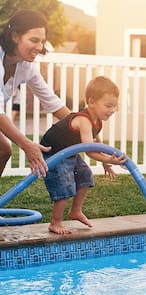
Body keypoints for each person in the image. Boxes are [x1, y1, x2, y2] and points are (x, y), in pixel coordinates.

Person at [40, 76, 128, 235]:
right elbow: (89, 150)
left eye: (115, 106)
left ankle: (75, 211)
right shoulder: (83, 120)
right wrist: (109, 159)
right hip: (53, 152)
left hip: (68, 153)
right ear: (92, 102)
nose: (112, 110)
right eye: (108, 105)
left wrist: (105, 163)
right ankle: (55, 222)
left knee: (86, 176)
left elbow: (96, 143)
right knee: (65, 184)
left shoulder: (97, 121)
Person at [0, 9, 70, 177]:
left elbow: (51, 101)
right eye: (34, 40)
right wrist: (26, 145)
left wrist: (85, 125)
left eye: (42, 41)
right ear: (15, 36)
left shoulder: (26, 67)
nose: (39, 47)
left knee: (3, 150)